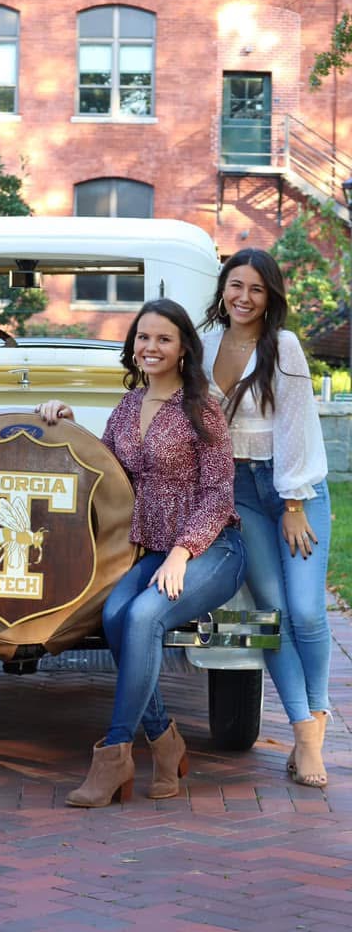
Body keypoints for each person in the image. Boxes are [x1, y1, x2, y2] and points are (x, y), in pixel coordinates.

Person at [37, 299, 246, 807]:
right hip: (152, 549)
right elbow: (107, 471)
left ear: (182, 350)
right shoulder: (128, 407)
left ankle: (113, 755)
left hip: (211, 549)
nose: (151, 347)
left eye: (163, 339)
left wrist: (182, 553)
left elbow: (219, 492)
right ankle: (166, 743)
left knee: (145, 616)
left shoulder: (203, 409)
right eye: (143, 338)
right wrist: (64, 423)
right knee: (112, 616)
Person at [201, 249, 331, 788]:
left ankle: (317, 718)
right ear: (223, 288)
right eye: (236, 285)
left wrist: (296, 504)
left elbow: (297, 425)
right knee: (272, 613)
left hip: (293, 489)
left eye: (256, 288)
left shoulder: (284, 346)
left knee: (304, 610)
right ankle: (304, 737)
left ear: (270, 296)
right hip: (240, 492)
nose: (244, 298)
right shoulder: (204, 343)